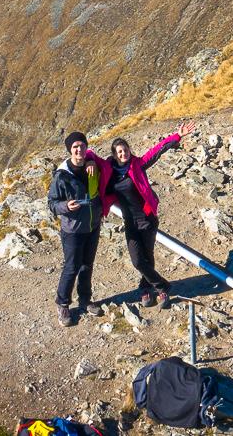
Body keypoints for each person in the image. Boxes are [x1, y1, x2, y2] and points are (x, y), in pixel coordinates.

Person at [103, 121, 195, 307]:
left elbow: (156, 151)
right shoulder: (110, 173)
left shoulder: (137, 165)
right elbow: (93, 170)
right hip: (130, 222)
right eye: (120, 152)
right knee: (138, 260)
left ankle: (147, 290)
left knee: (148, 256)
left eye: (125, 150)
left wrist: (177, 136)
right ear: (114, 155)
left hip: (147, 219)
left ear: (129, 150)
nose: (124, 153)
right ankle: (163, 287)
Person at [48, 131, 112, 326]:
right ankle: (63, 303)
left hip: (92, 225)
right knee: (72, 266)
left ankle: (85, 300)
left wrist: (91, 161)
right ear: (70, 150)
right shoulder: (62, 175)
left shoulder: (91, 166)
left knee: (87, 265)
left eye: (82, 146)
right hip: (72, 229)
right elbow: (52, 203)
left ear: (86, 148)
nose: (79, 150)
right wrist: (66, 206)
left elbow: (108, 166)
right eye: (75, 147)